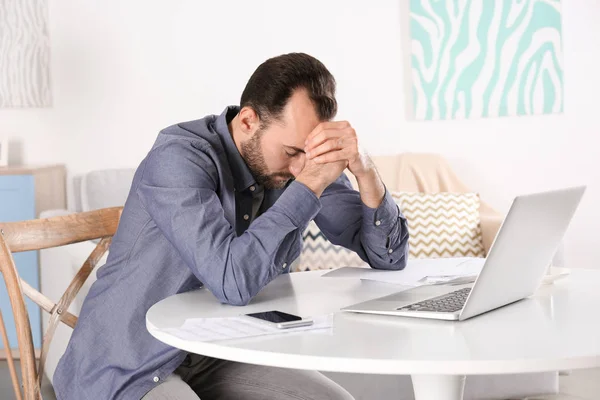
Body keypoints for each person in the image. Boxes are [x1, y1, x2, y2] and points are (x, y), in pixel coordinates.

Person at [53, 52, 409, 400]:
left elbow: (389, 257)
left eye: (311, 154)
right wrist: (310, 183)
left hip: (216, 349)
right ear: (248, 121)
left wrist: (364, 170)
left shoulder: (297, 162)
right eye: (291, 152)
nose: (302, 168)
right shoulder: (178, 159)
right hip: (128, 363)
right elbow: (232, 281)